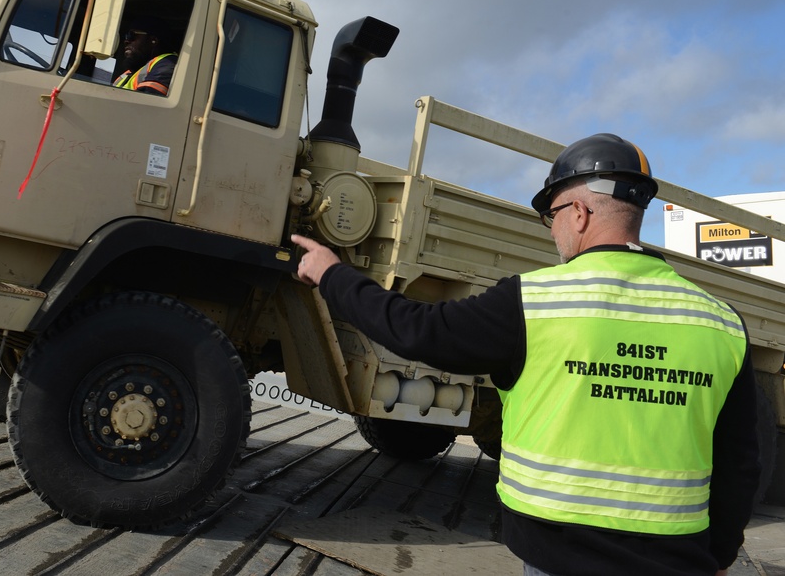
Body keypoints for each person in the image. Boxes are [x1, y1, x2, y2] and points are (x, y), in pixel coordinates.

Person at [292, 133, 761, 576]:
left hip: (557, 556)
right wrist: (720, 554)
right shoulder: (720, 321)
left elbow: (417, 331)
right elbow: (740, 462)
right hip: (678, 560)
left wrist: (332, 274)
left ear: (579, 213)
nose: (553, 231)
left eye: (551, 216)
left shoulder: (532, 302)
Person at [113, 16, 177, 96]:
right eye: (126, 36)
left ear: (153, 40)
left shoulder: (167, 63)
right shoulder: (130, 73)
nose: (126, 41)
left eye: (131, 35)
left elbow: (146, 100)